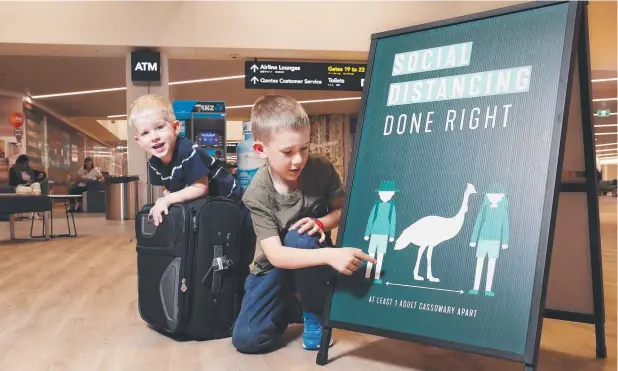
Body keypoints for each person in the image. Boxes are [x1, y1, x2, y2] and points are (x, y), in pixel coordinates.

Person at [231, 95, 376, 354]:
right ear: (261, 150)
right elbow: (275, 255)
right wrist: (331, 255)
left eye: (304, 148)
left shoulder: (320, 168)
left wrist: (321, 222)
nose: (298, 159)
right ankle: (290, 301)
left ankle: (313, 310)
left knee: (301, 234)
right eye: (288, 152)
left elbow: (343, 210)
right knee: (247, 339)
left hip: (312, 256)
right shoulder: (256, 193)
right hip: (274, 269)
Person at [127, 94, 244, 226]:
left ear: (175, 128)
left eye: (159, 127)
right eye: (145, 133)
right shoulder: (154, 164)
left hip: (235, 205)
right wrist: (168, 199)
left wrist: (167, 200)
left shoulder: (187, 151)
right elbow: (166, 187)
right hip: (212, 209)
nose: (154, 137)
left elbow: (201, 187)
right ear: (139, 141)